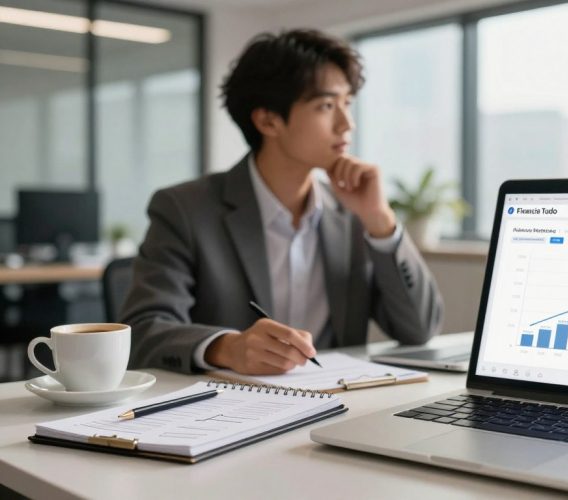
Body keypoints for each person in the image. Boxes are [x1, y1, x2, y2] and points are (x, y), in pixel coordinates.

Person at [121, 29, 444, 375]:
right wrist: (227, 348)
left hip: (340, 405)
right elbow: (143, 330)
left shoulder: (353, 213)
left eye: (347, 103)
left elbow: (419, 330)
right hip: (227, 412)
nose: (346, 123)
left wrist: (380, 220)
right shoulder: (185, 209)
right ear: (267, 120)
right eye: (326, 106)